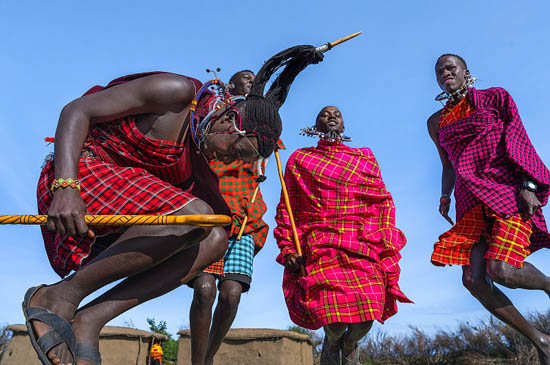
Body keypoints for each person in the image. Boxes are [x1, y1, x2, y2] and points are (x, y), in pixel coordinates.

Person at [23, 45, 323, 365]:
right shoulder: (177, 93)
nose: (228, 161)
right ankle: (59, 297)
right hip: (78, 180)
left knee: (215, 235)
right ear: (229, 120)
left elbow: (223, 224)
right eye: (235, 152)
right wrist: (66, 187)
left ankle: (91, 319)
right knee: (197, 216)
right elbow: (76, 111)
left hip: (115, 214)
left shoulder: (202, 164)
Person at [427, 54, 550, 364]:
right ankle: (542, 341)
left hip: (505, 191)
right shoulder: (436, 122)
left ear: (467, 72)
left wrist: (530, 185)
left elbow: (519, 139)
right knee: (474, 281)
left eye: (452, 66)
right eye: (440, 70)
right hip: (469, 201)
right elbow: (448, 165)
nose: (446, 72)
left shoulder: (495, 97)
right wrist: (445, 196)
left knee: (502, 269)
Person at [274, 106, 411, 365]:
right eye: (325, 114)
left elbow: (381, 201)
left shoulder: (364, 158)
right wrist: (289, 248)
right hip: (321, 244)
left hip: (362, 243)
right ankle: (333, 342)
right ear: (316, 127)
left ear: (344, 125)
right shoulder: (300, 159)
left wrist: (383, 238)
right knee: (334, 319)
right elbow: (288, 207)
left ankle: (350, 345)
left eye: (337, 114)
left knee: (369, 308)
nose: (332, 116)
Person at [187, 70, 270, 365]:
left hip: (246, 217)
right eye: (244, 78)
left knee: (232, 293)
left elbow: (267, 147)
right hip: (210, 214)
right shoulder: (214, 118)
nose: (251, 80)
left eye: (253, 78)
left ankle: (208, 357)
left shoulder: (260, 125)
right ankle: (198, 362)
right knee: (204, 288)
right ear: (230, 85)